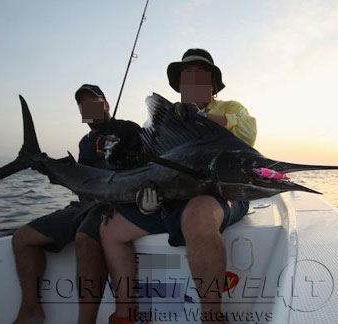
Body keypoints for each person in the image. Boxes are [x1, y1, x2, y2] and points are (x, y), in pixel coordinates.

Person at [100, 48, 257, 324]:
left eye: (201, 74)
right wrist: (148, 198)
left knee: (197, 216)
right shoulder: (167, 120)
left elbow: (247, 132)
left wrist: (200, 118)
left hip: (223, 192)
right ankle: (126, 312)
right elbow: (151, 160)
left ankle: (212, 317)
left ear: (213, 84)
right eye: (187, 75)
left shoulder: (231, 108)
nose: (193, 80)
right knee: (110, 229)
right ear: (180, 85)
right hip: (172, 195)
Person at [12, 84, 143, 324]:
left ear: (106, 104)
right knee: (23, 238)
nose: (89, 108)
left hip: (114, 204)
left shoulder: (128, 129)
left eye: (94, 102)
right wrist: (52, 171)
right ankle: (31, 310)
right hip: (84, 205)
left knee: (85, 239)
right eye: (83, 106)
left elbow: (145, 167)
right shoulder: (84, 142)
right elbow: (81, 183)